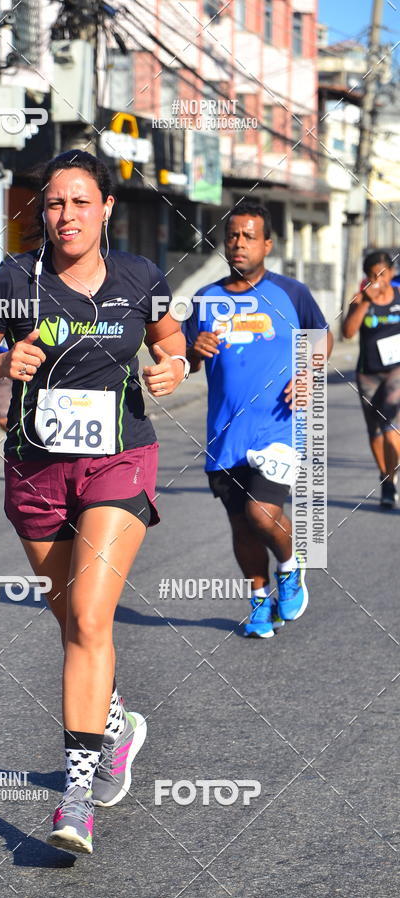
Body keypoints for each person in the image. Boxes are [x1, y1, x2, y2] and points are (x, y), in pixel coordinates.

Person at [0, 150, 187, 853]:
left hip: (119, 459)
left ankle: (74, 801)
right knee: (73, 625)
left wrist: (173, 366)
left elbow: (171, 340)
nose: (67, 215)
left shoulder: (141, 277)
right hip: (35, 470)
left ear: (106, 208)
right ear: (42, 211)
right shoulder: (11, 281)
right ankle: (117, 724)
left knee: (88, 617)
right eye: (55, 203)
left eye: (81, 202)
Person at [184, 201, 333, 639]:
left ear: (267, 244)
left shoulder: (292, 293)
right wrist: (193, 350)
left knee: (261, 513)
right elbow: (185, 361)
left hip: (280, 428)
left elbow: (321, 337)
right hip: (225, 434)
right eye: (232, 235)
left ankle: (290, 565)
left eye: (249, 236)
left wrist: (308, 373)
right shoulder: (204, 299)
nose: (239, 243)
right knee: (241, 525)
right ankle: (259, 602)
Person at [342, 251, 400, 508]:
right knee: (375, 430)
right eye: (373, 275)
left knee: (390, 426)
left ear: (392, 273)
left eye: (383, 274)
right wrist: (365, 302)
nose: (379, 280)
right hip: (368, 373)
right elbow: (347, 332)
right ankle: (387, 478)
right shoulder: (359, 300)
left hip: (397, 371)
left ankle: (390, 479)